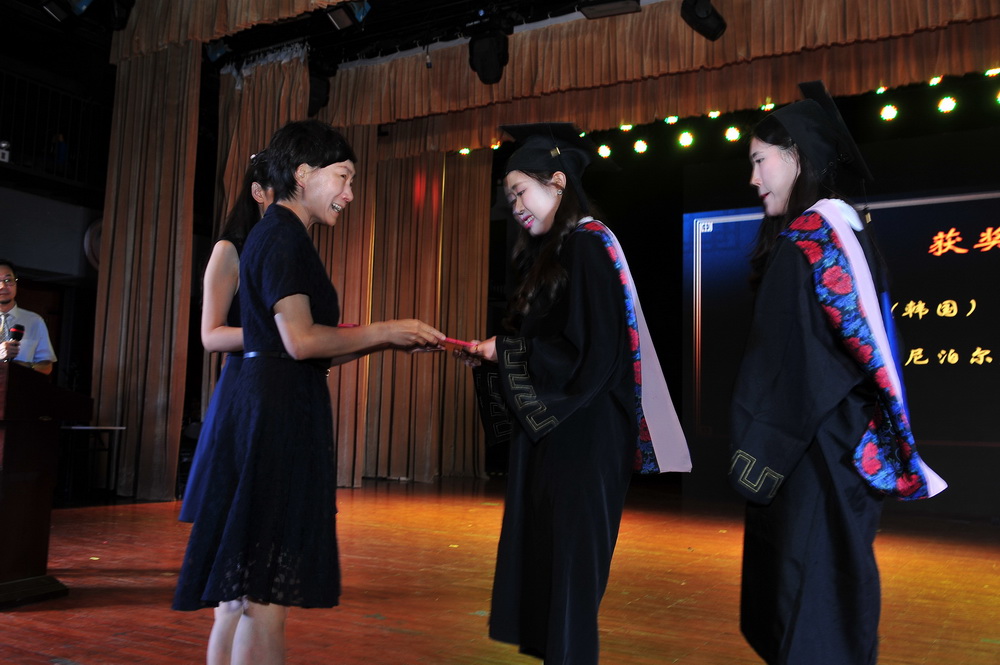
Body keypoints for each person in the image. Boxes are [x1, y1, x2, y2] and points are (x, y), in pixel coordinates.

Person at [172, 119, 445, 665]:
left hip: (273, 405)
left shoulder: (279, 233)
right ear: (303, 173)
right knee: (265, 597)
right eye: (343, 177)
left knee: (247, 596)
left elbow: (306, 348)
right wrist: (385, 329)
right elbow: (300, 342)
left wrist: (384, 341)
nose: (349, 193)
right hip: (276, 416)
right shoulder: (282, 235)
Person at [728, 82, 947, 665]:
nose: (753, 178)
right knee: (833, 604)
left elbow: (789, 365)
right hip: (844, 451)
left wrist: (753, 444)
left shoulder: (810, 241)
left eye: (760, 161)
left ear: (797, 157)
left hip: (815, 460)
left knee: (809, 612)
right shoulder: (848, 232)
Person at [465, 122, 690, 664]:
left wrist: (508, 351)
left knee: (570, 582)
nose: (515, 206)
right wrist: (497, 355)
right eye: (510, 197)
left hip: (584, 442)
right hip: (563, 437)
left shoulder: (589, 246)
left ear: (558, 181)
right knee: (553, 574)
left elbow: (591, 356)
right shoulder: (563, 250)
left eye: (520, 191)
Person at [179, 150, 274, 524]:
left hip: (281, 387)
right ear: (258, 192)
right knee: (231, 514)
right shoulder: (229, 250)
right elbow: (211, 336)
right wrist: (280, 335)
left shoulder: (282, 253)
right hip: (243, 386)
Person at [0, 259, 56, 375]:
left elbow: (46, 365)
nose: (3, 286)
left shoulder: (35, 321)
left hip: (19, 385)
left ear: (16, 282)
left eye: (8, 280)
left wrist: (26, 368)